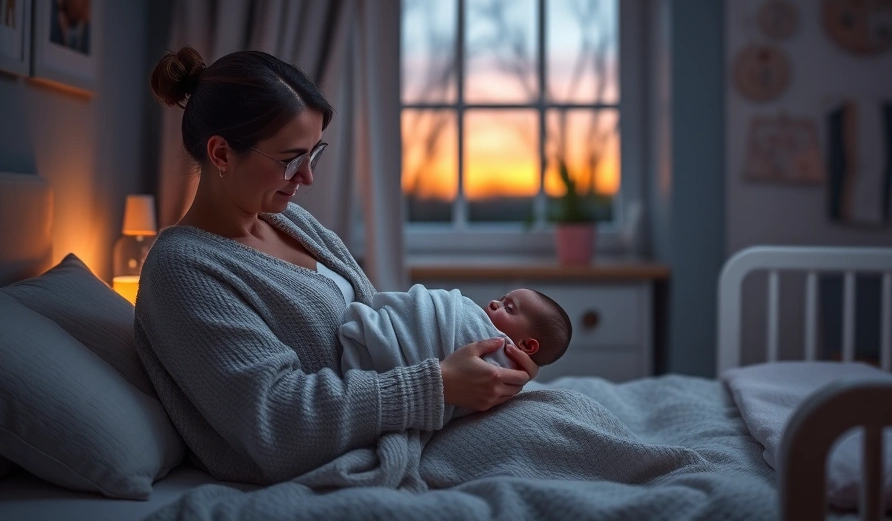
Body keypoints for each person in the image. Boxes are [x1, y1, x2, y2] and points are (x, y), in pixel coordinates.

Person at [136, 46, 539, 486]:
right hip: (372, 440)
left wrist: (495, 360)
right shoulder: (183, 271)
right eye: (291, 159)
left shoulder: (289, 220)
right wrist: (439, 386)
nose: (307, 177)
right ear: (221, 154)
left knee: (573, 420)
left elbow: (380, 329)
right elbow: (277, 419)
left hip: (419, 421)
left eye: (315, 153)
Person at [335, 285, 572, 423]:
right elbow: (430, 315)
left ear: (527, 346)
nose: (493, 303)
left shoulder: (496, 355)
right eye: (501, 299)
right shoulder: (474, 322)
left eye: (508, 308)